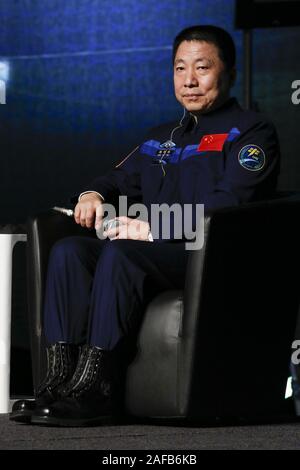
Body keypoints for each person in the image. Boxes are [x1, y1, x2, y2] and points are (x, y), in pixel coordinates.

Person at [10, 25, 280, 426]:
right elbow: (118, 179)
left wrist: (153, 228)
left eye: (202, 68)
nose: (189, 80)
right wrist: (93, 194)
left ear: (229, 72)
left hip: (206, 255)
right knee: (71, 251)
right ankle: (59, 383)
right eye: (180, 69)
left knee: (121, 252)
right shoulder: (161, 137)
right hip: (153, 251)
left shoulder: (251, 132)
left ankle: (96, 388)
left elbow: (229, 208)